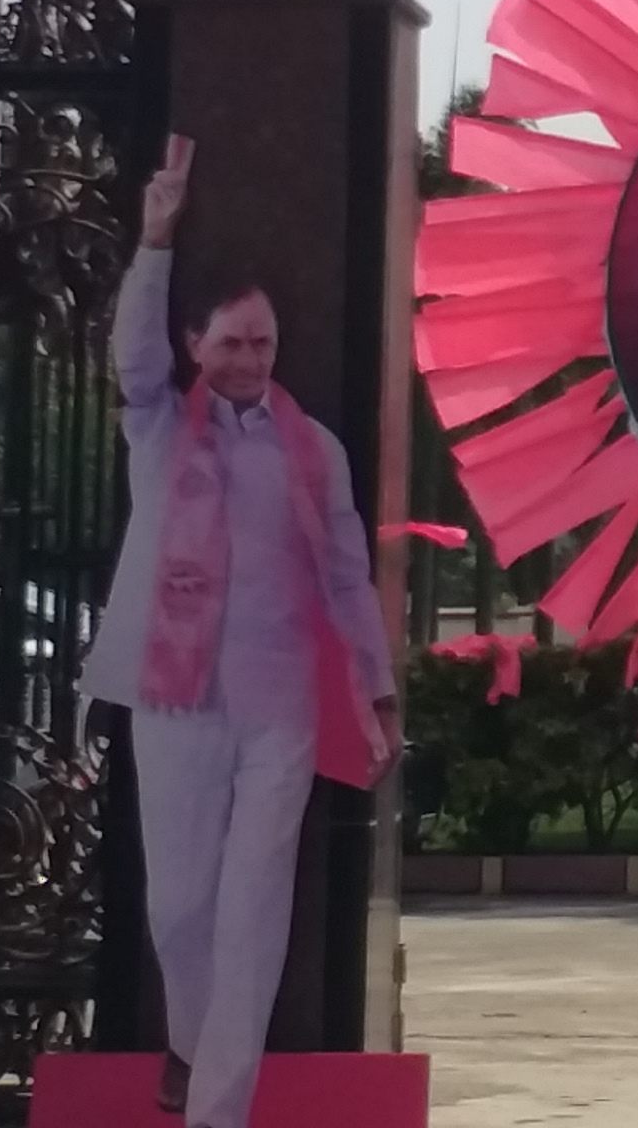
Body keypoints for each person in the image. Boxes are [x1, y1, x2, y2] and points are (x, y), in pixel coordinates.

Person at [86, 136, 404, 1128]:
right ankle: (190, 1048)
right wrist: (155, 238)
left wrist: (378, 691)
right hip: (174, 701)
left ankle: (216, 1111)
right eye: (229, 345)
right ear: (194, 345)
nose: (247, 362)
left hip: (280, 707)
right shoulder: (156, 427)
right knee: (179, 912)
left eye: (261, 345)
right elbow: (129, 355)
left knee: (253, 913)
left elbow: (350, 581)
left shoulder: (317, 451)